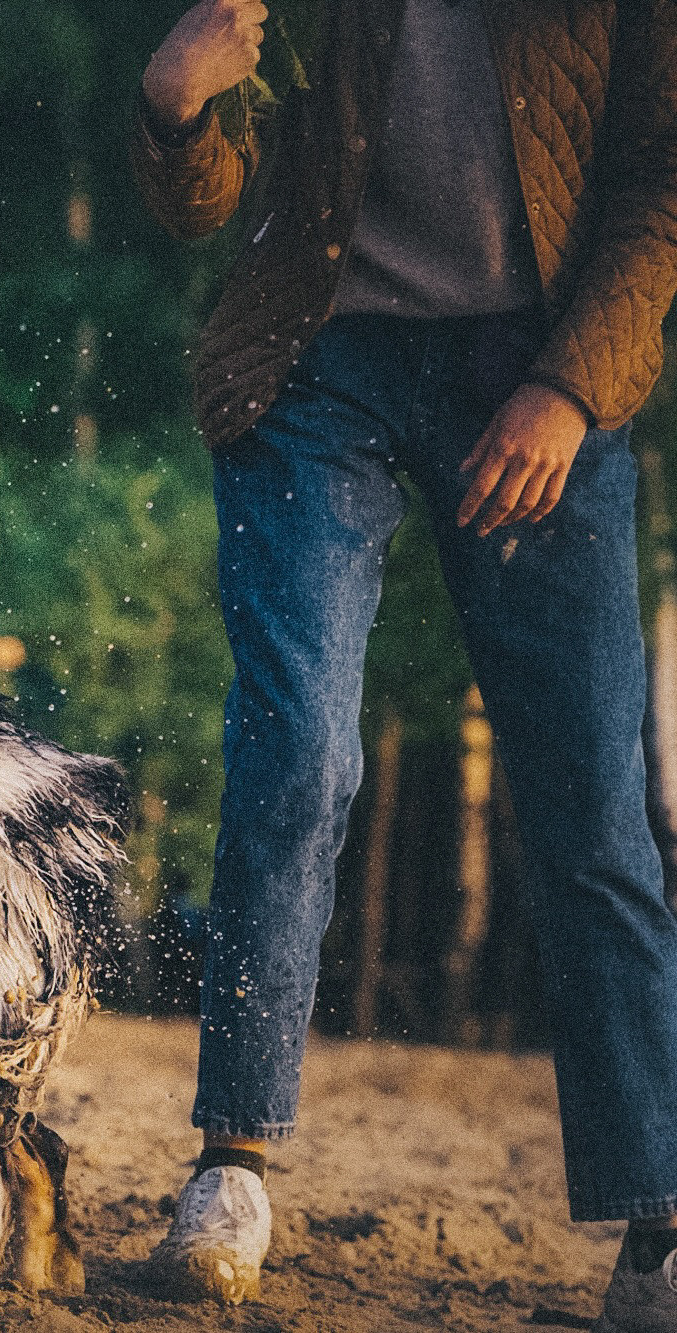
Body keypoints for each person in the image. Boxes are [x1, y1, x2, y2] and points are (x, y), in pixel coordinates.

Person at [130, 0, 677, 1325]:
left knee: (597, 806)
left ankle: (658, 1220)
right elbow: (208, 202)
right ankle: (233, 1162)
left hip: (541, 363)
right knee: (298, 750)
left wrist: (571, 388)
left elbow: (662, 186)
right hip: (322, 366)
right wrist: (174, 106)